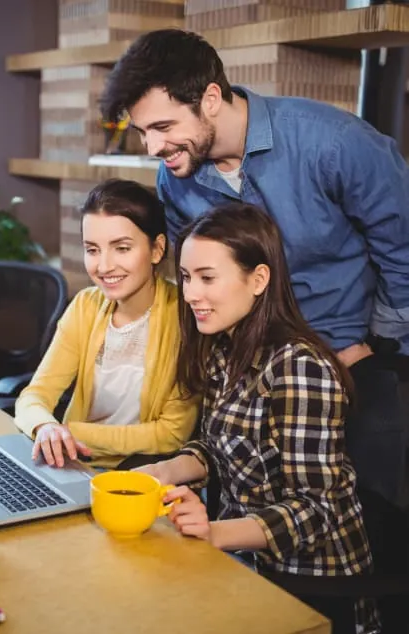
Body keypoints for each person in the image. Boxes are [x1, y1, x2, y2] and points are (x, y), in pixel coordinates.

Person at [99, 28, 408, 538]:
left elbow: (402, 250)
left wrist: (375, 346)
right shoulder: (176, 176)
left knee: (354, 536)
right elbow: (196, 279)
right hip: (247, 375)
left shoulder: (335, 144)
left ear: (212, 99)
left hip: (350, 367)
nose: (154, 146)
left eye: (163, 126)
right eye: (142, 132)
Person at [139, 202, 377, 634]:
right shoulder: (225, 346)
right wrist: (161, 472)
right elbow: (220, 448)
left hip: (309, 584)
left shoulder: (299, 368)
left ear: (258, 279)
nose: (190, 293)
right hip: (240, 563)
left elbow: (315, 511)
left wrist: (213, 532)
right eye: (188, 277)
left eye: (207, 278)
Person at [14, 178, 198, 469]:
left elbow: (171, 434)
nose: (103, 266)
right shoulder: (86, 306)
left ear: (156, 249)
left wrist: (71, 432)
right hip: (73, 464)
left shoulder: (186, 316)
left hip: (141, 477)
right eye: (92, 249)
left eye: (122, 248)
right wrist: (44, 427)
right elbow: (35, 395)